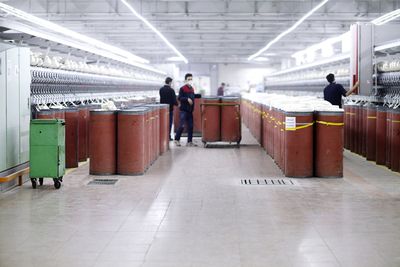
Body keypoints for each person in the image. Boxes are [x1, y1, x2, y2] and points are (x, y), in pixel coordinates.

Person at [174, 73, 197, 147]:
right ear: (185, 80)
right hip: (184, 110)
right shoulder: (182, 88)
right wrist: (187, 99)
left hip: (190, 111)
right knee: (182, 125)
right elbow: (179, 98)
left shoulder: (192, 89)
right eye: (189, 79)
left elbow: (193, 96)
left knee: (190, 126)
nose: (190, 80)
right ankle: (177, 139)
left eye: (191, 79)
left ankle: (189, 142)